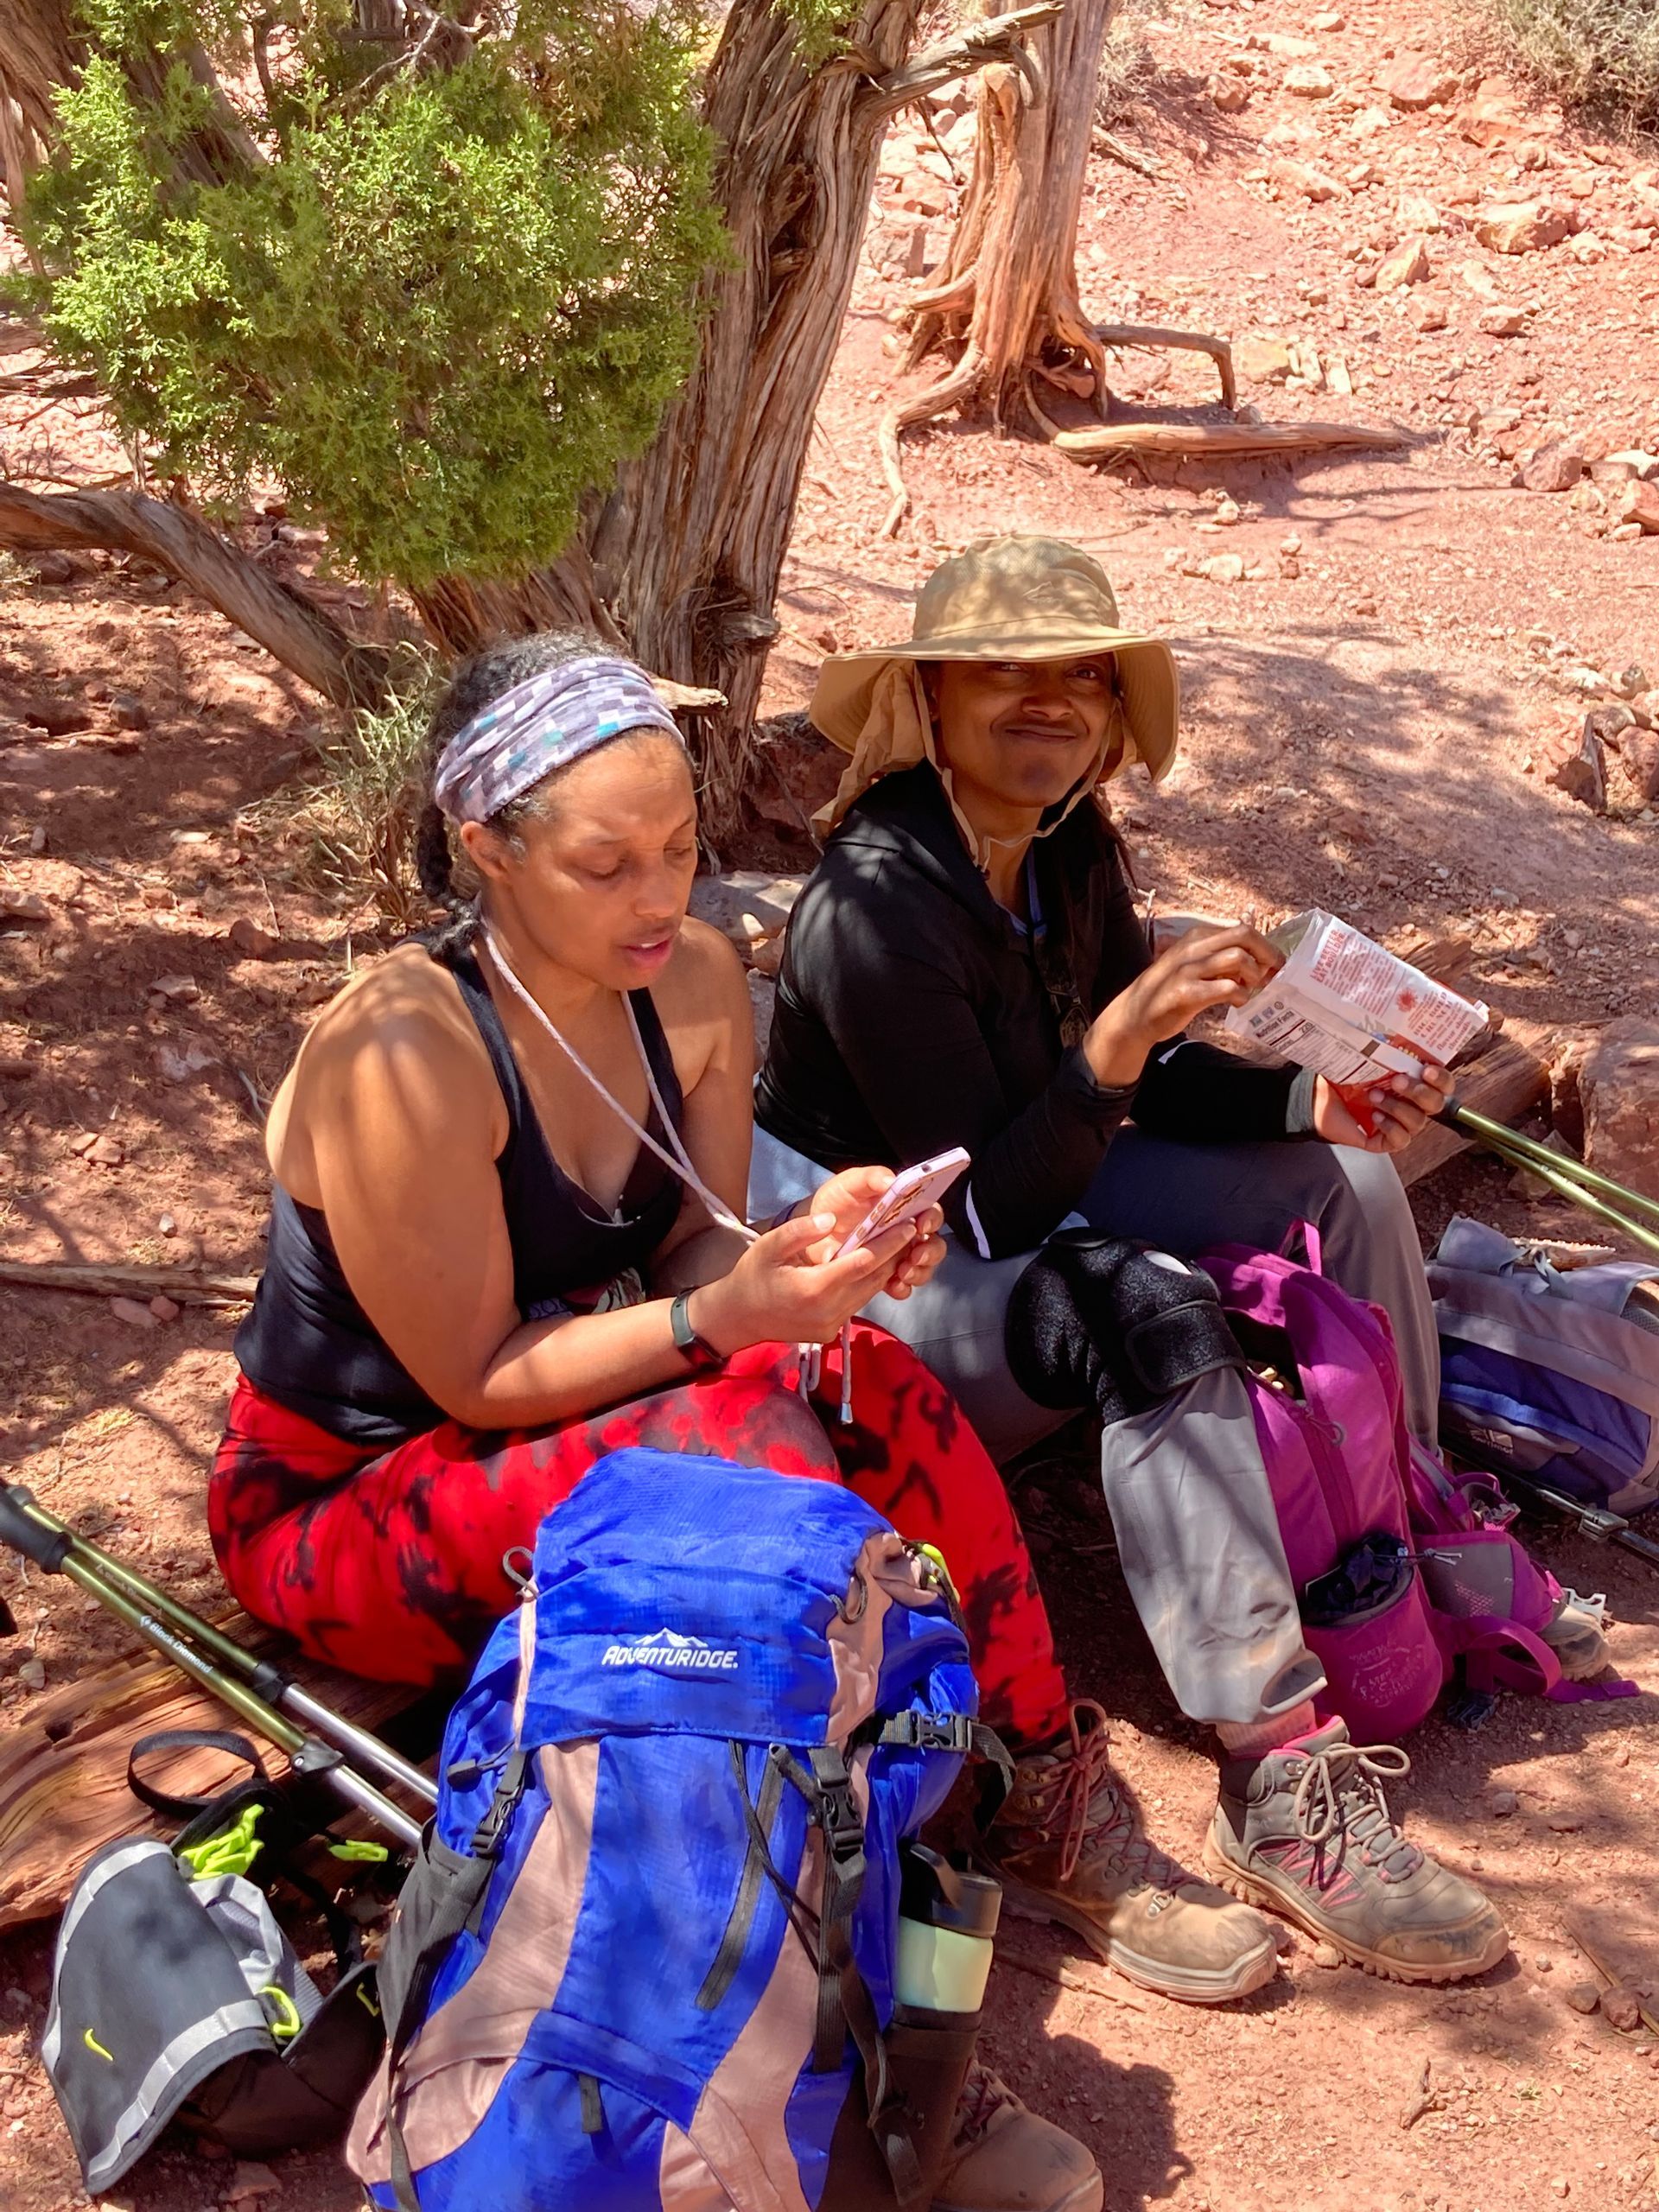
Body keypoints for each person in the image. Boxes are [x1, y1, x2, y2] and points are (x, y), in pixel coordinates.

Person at [207, 636, 1280, 2212]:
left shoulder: (693, 982)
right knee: (746, 1459)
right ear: (485, 849)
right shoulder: (403, 1050)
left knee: (877, 1381)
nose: (663, 896)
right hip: (343, 1502)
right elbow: (475, 1386)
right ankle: (810, 2031)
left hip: (557, 1413)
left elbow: (695, 1253)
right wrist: (732, 1321)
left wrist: (808, 1255)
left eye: (686, 848)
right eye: (606, 863)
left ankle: (1038, 1782)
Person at [753, 535, 1601, 1988]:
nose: (1052, 703)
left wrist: (1302, 1099)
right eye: (1008, 677)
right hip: (888, 1297)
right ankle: (1277, 1770)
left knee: (1337, 1175)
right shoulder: (876, 904)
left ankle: (1416, 1525)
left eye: (1081, 675)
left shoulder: (1069, 844)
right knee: (1146, 1311)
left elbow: (1121, 1095)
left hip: (1021, 1196)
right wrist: (1114, 1047)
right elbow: (991, 1211)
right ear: (933, 700)